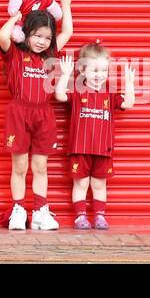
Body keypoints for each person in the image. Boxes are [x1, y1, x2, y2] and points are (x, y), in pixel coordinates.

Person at [0, 0, 74, 231]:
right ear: (26, 34)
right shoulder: (16, 55)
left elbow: (67, 33)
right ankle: (18, 210)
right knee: (19, 166)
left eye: (47, 37)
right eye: (37, 36)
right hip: (19, 112)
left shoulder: (50, 56)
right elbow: (2, 36)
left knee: (41, 167)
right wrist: (16, 19)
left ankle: (41, 211)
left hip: (44, 115)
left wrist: (66, 6)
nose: (42, 41)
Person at [55, 42, 136, 230]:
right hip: (80, 147)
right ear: (83, 70)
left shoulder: (110, 92)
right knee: (81, 183)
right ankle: (80, 216)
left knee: (99, 184)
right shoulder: (77, 90)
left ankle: (100, 216)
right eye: (95, 71)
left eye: (103, 71)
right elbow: (59, 95)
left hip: (103, 148)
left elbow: (128, 103)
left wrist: (129, 83)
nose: (99, 75)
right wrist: (65, 75)